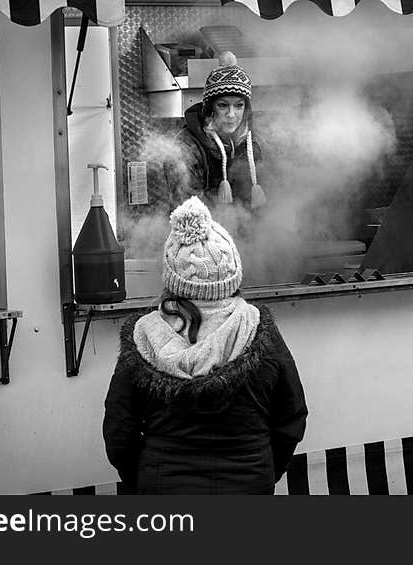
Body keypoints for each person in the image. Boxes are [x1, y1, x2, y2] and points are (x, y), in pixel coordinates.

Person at [103, 195, 307, 494]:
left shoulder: (143, 335)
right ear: (231, 272)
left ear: (172, 278)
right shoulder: (257, 329)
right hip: (248, 485)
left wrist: (145, 478)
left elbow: (119, 429)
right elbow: (291, 416)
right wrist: (263, 470)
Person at [151, 51, 267, 214]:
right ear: (210, 108)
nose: (231, 114)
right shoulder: (186, 147)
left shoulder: (253, 142)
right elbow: (186, 212)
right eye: (223, 105)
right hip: (202, 233)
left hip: (247, 233)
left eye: (239, 105)